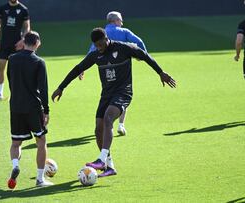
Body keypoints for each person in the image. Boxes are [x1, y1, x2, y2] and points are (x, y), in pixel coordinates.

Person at [52, 28, 176, 177]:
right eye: (96, 45)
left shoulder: (123, 48)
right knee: (98, 130)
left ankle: (101, 159)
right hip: (106, 95)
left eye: (101, 44)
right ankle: (109, 167)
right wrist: (61, 87)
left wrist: (161, 72)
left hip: (123, 92)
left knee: (108, 118)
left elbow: (144, 55)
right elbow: (77, 68)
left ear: (106, 38)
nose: (99, 48)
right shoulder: (96, 55)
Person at [80, 11, 147, 137]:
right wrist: (142, 55)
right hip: (123, 69)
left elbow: (92, 51)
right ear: (115, 21)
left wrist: (82, 69)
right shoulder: (124, 32)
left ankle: (108, 121)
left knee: (110, 95)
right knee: (123, 95)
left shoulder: (102, 33)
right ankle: (121, 124)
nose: (122, 23)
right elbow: (139, 42)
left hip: (107, 71)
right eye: (120, 20)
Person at [6, 31, 53, 188]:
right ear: (37, 43)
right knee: (41, 142)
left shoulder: (12, 59)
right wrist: (46, 111)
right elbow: (43, 89)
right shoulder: (39, 62)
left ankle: (15, 166)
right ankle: (40, 179)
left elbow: (10, 81)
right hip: (33, 107)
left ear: (23, 42)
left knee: (16, 143)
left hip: (16, 106)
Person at [0, 0, 30, 101]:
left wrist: (23, 41)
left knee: (17, 70)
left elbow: (27, 27)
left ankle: (17, 93)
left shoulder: (23, 9)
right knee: (1, 67)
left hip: (17, 45)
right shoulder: (3, 8)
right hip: (4, 44)